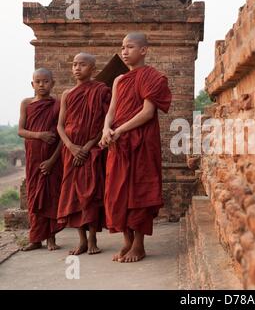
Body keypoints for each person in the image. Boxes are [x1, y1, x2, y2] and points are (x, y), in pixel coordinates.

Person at [100, 33, 172, 263]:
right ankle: (127, 242)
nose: (124, 51)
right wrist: (105, 130)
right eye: (122, 47)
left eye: (130, 47)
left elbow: (147, 112)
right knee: (117, 191)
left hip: (141, 141)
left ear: (143, 50)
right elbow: (111, 111)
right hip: (119, 144)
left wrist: (120, 130)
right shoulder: (119, 80)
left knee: (138, 190)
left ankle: (139, 245)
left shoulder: (153, 77)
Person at [57, 53, 111, 255]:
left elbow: (104, 123)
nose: (77, 68)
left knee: (90, 194)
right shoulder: (67, 94)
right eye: (74, 64)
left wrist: (87, 147)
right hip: (70, 151)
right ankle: (81, 240)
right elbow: (61, 126)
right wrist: (71, 147)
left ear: (93, 69)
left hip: (91, 150)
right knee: (73, 196)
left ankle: (93, 239)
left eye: (83, 64)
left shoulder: (100, 91)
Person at [18, 68, 64, 251]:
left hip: (52, 158)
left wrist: (53, 160)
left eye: (45, 81)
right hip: (33, 158)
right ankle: (36, 239)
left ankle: (51, 237)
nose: (41, 85)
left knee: (51, 196)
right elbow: (20, 131)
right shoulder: (26, 103)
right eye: (38, 82)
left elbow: (63, 135)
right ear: (32, 84)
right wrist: (40, 135)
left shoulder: (58, 104)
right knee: (34, 196)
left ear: (52, 83)